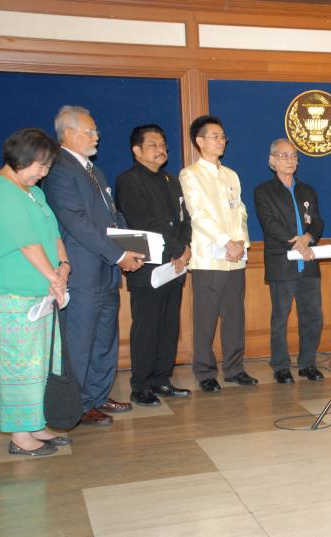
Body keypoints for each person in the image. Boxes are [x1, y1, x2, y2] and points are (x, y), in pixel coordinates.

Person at [44, 105, 144, 426]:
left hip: (106, 271)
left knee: (104, 340)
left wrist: (130, 248)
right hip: (83, 272)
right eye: (90, 131)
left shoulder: (94, 171)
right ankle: (78, 404)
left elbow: (113, 216)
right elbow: (77, 223)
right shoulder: (59, 169)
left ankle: (98, 396)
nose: (96, 136)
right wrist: (118, 255)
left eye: (95, 131)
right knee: (80, 342)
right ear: (68, 134)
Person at [0, 128, 72, 456]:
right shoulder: (0, 190)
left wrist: (64, 265)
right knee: (17, 364)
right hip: (11, 293)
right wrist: (54, 277)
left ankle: (35, 423)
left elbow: (53, 234)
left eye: (48, 167)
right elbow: (27, 243)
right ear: (21, 158)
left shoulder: (33, 193)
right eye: (40, 166)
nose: (43, 173)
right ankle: (20, 436)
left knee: (40, 364)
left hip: (40, 292)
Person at [115, 124, 192, 406]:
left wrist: (185, 248)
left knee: (169, 325)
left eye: (162, 144)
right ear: (136, 150)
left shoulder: (171, 180)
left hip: (175, 265)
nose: (161, 149)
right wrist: (177, 249)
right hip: (147, 267)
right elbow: (143, 222)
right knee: (147, 326)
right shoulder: (128, 180)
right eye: (153, 145)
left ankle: (162, 379)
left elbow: (184, 219)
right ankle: (141, 385)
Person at [180, 115, 258, 392]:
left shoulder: (231, 175)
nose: (221, 141)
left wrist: (241, 243)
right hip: (209, 257)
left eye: (223, 136)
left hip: (235, 257)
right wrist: (226, 242)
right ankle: (205, 371)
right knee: (206, 317)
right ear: (199, 141)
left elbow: (241, 212)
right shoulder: (190, 174)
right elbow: (198, 214)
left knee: (235, 315)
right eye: (215, 136)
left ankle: (235, 368)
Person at [254, 138, 325, 384]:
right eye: (284, 156)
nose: (290, 160)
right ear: (272, 161)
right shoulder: (263, 191)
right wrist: (297, 243)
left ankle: (308, 364)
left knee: (313, 317)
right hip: (282, 263)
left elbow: (317, 221)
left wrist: (308, 238)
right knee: (280, 318)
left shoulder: (307, 190)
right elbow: (270, 224)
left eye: (294, 156)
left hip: (309, 263)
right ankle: (281, 365)